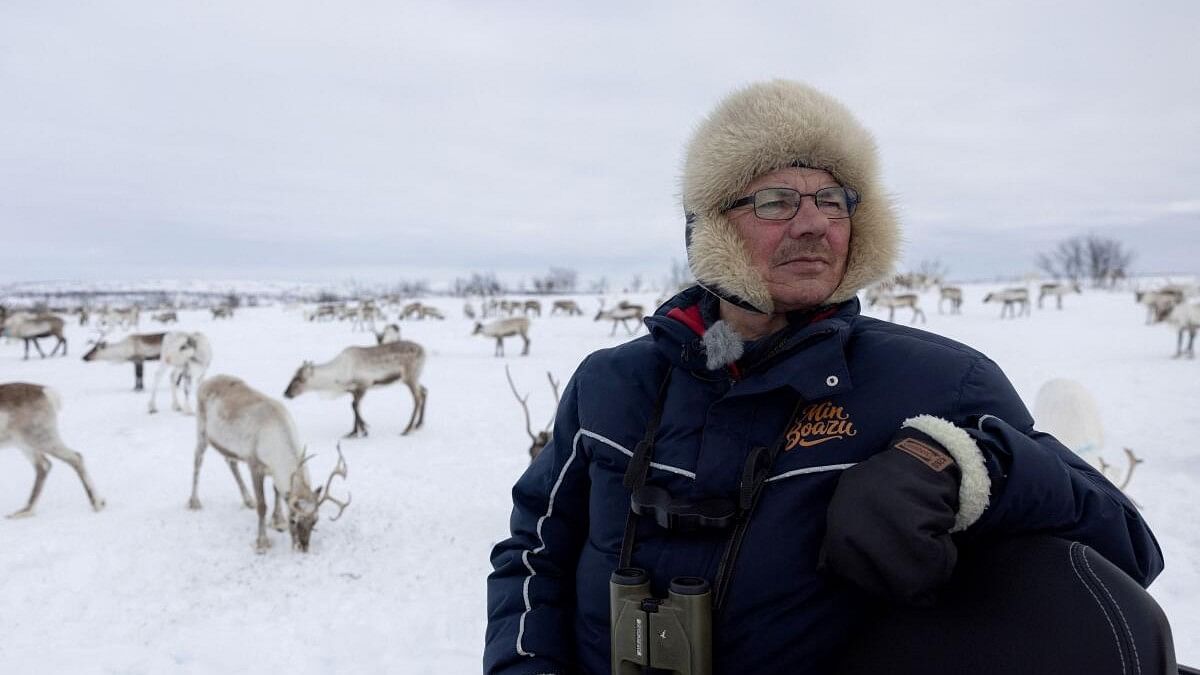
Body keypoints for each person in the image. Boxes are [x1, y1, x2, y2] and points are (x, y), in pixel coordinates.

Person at [484, 80, 1163, 675]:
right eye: (776, 200)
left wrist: (966, 465)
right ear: (711, 225)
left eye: (833, 200)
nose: (812, 224)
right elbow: (533, 549)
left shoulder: (940, 380)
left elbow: (1126, 544)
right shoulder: (611, 384)